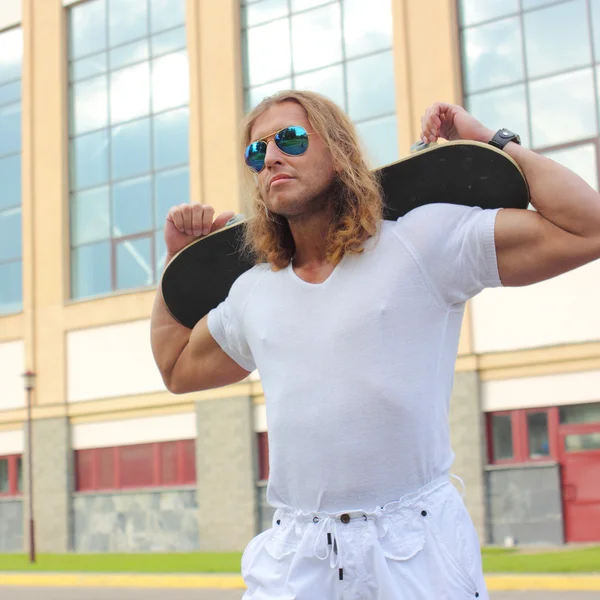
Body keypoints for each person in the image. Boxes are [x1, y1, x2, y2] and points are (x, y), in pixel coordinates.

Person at [151, 91, 600, 600]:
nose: (271, 156)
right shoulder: (253, 291)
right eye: (257, 152)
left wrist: (490, 142)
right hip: (297, 558)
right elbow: (176, 367)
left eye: (291, 139)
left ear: (340, 151)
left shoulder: (423, 240)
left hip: (415, 547)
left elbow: (587, 228)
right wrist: (175, 266)